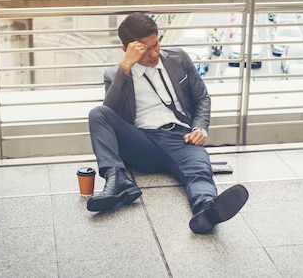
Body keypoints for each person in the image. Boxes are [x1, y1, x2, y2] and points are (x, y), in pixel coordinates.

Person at [87, 12, 249, 234]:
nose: (154, 54)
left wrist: (199, 128)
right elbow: (109, 113)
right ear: (128, 49)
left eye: (156, 45)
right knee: (97, 113)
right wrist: (126, 69)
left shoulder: (179, 59)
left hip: (182, 137)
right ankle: (116, 181)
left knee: (199, 171)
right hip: (142, 142)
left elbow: (202, 97)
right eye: (146, 49)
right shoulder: (115, 74)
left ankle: (207, 211)